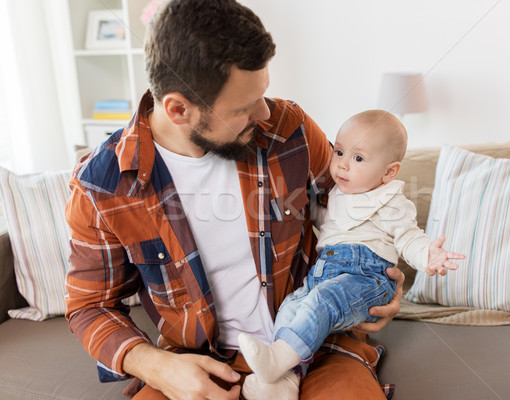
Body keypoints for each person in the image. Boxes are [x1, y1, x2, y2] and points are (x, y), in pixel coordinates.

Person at [64, 1, 404, 399]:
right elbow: (90, 306)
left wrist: (383, 286)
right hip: (196, 360)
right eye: (244, 107)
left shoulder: (287, 129)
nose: (264, 112)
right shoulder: (101, 185)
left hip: (318, 345)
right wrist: (155, 365)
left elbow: (361, 208)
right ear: (178, 109)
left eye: (262, 93)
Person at [238, 110, 466, 395]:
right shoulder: (339, 193)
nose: (342, 165)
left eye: (358, 159)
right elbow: (329, 226)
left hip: (367, 277)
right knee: (293, 306)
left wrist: (428, 255)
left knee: (323, 299)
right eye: (339, 152)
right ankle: (285, 380)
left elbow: (409, 237)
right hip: (325, 274)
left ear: (389, 172)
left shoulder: (391, 200)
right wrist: (304, 205)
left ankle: (277, 360)